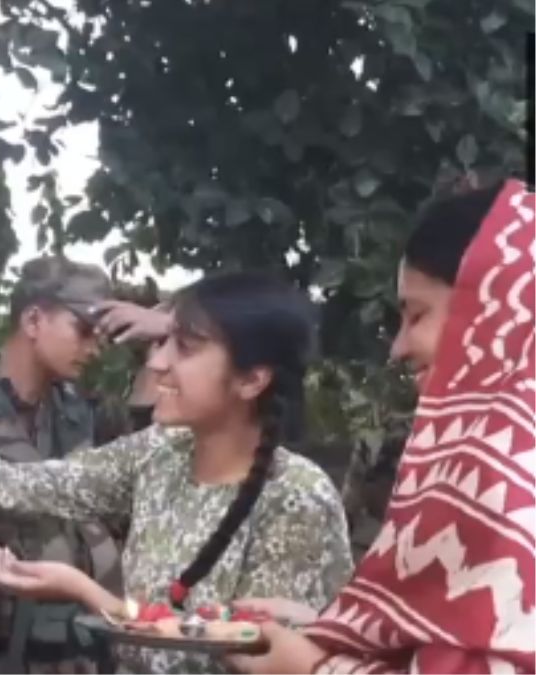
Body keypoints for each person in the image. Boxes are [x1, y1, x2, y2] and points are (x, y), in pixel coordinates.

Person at [0, 269, 355, 673]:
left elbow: (235, 655)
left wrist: (86, 592)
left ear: (251, 380)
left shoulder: (295, 497)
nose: (156, 364)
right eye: (162, 342)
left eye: (186, 348)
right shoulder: (158, 454)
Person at [228, 179, 535, 674]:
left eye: (417, 315)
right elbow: (469, 633)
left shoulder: (513, 487)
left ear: (497, 314)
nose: (398, 347)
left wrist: (313, 669)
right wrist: (341, 629)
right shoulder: (489, 462)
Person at [0, 256, 143, 673]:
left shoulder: (86, 412)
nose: (93, 349)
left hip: (86, 644)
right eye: (84, 331)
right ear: (33, 321)